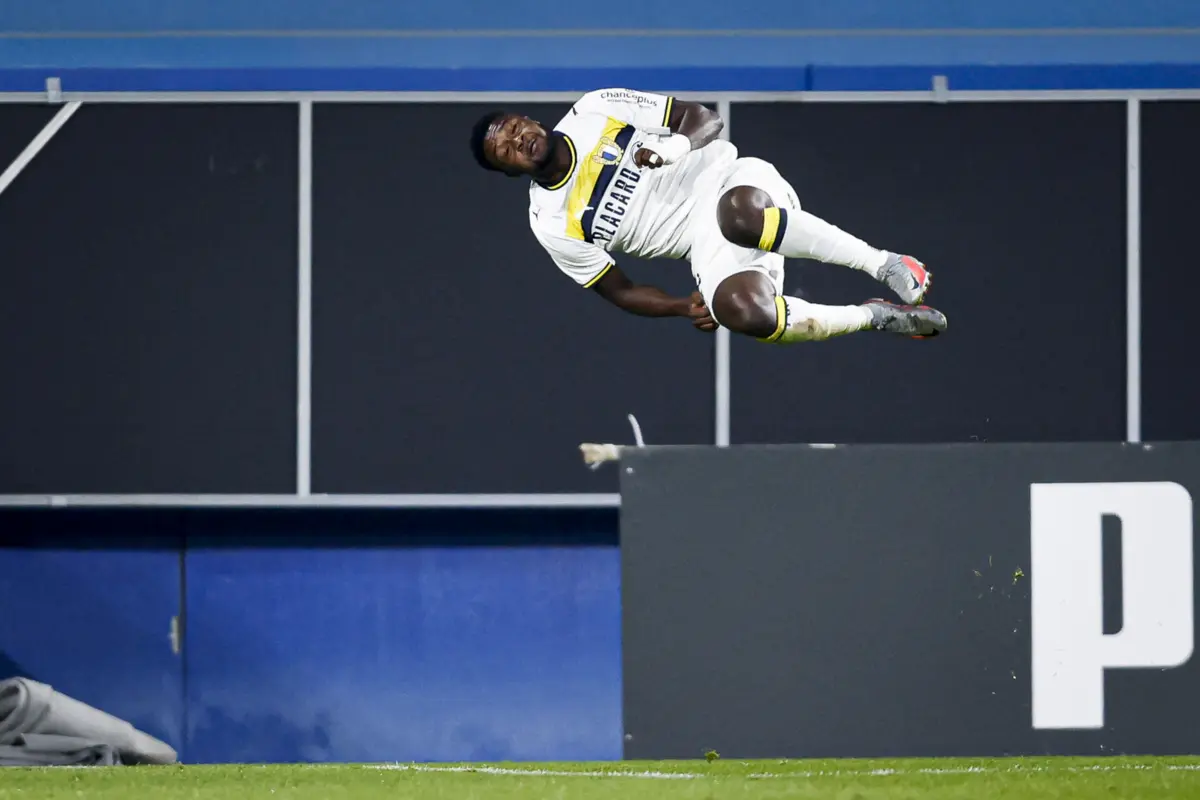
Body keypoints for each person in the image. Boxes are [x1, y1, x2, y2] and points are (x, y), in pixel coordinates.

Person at [469, 88, 947, 343]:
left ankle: (884, 263)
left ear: (530, 118)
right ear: (508, 172)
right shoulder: (550, 221)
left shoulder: (595, 109)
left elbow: (704, 118)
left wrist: (676, 144)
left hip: (734, 183)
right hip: (704, 246)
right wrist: (682, 306)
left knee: (737, 215)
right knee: (742, 312)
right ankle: (875, 318)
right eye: (504, 150)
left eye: (513, 127)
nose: (516, 140)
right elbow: (620, 290)